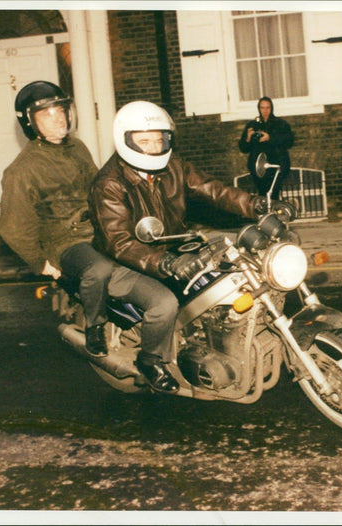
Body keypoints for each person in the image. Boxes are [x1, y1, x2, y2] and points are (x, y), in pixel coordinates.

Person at [89, 101, 295, 393]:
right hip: (126, 260)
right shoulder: (108, 183)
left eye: (158, 139)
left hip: (173, 245)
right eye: (143, 141)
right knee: (164, 303)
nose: (152, 146)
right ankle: (151, 360)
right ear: (126, 140)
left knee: (231, 262)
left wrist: (256, 205)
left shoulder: (174, 167)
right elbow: (118, 241)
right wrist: (165, 263)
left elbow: (214, 190)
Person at [0, 80, 123, 356]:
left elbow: (97, 188)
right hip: (63, 241)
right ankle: (95, 328)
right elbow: (13, 229)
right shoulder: (22, 170)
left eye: (61, 111)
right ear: (31, 123)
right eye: (47, 115)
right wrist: (42, 262)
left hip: (94, 228)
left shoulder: (77, 147)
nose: (58, 120)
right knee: (99, 270)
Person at [238, 96, 294, 200]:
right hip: (259, 167)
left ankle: (274, 214)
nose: (265, 111)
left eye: (267, 107)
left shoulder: (280, 124)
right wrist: (248, 138)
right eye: (262, 107)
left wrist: (270, 138)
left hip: (276, 163)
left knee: (274, 194)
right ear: (258, 108)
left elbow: (289, 141)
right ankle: (266, 215)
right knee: (262, 194)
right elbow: (243, 148)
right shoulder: (252, 125)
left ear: (271, 108)